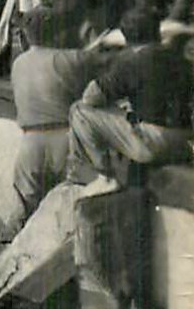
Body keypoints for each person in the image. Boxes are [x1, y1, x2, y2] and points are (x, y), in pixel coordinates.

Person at [8, 10, 152, 228]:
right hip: (64, 140)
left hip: (30, 144)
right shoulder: (71, 58)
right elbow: (104, 61)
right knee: (71, 212)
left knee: (25, 213)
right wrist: (99, 41)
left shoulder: (19, 63)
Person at [65, 26, 194, 192]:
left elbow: (90, 98)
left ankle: (102, 175)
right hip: (184, 140)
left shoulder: (133, 60)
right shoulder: (180, 56)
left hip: (153, 141)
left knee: (78, 110)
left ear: (127, 38)